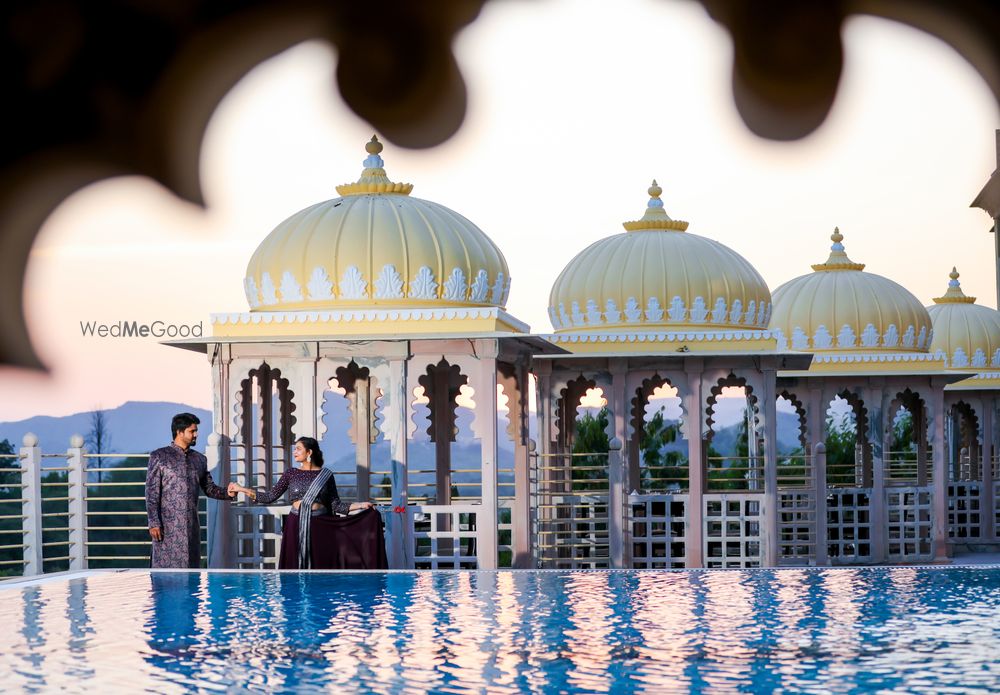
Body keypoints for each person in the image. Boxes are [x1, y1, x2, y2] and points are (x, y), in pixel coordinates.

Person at [229, 436, 385, 569]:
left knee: (320, 564)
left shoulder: (326, 475)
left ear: (309, 452)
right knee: (294, 564)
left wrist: (361, 505)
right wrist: (241, 489)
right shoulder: (291, 473)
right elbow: (270, 496)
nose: (294, 452)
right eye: (294, 449)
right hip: (295, 524)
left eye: (298, 449)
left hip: (320, 526)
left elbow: (336, 505)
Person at [145, 412, 236, 568]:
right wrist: (154, 522)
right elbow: (152, 492)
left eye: (196, 431)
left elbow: (209, 488)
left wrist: (228, 492)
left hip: (191, 529)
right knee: (164, 574)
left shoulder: (199, 459)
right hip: (167, 529)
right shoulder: (159, 456)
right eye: (192, 431)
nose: (196, 434)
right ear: (179, 432)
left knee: (191, 572)